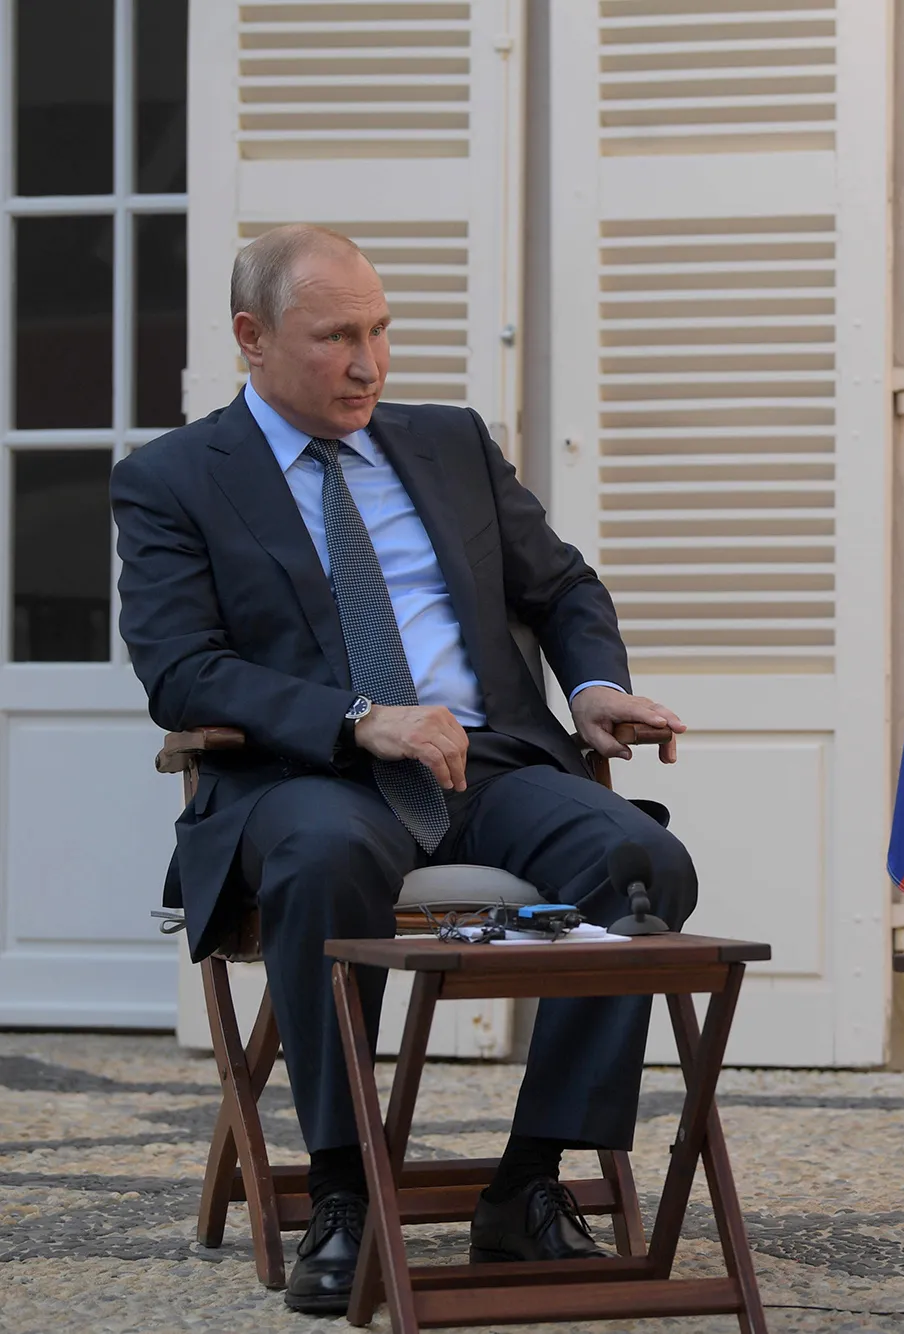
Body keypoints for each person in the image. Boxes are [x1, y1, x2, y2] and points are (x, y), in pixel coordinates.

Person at [112, 225, 697, 1314]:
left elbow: (563, 587)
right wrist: (357, 717)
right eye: (335, 336)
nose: (369, 363)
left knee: (638, 860)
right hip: (310, 776)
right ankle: (342, 1189)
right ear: (251, 337)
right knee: (325, 858)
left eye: (380, 330)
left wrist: (593, 690)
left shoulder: (446, 442)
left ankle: (526, 1184)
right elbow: (184, 671)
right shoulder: (173, 480)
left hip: (490, 761)